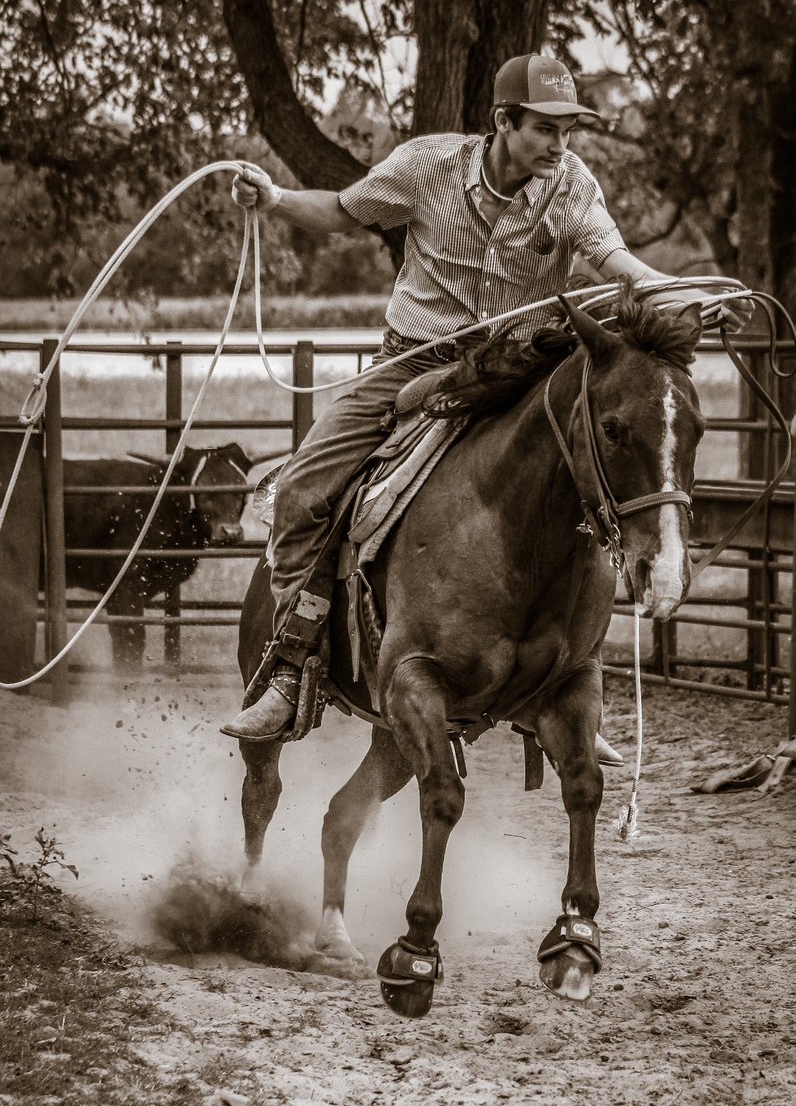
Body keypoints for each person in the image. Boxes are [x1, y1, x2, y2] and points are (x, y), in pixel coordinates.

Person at [221, 53, 751, 743]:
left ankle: (563, 682)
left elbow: (617, 263)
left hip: (521, 367)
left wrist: (688, 294)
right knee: (301, 494)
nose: (558, 145)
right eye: (544, 128)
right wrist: (275, 199)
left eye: (567, 131)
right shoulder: (425, 168)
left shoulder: (571, 189)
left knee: (587, 473)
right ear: (503, 121)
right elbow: (344, 210)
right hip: (411, 361)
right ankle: (294, 661)